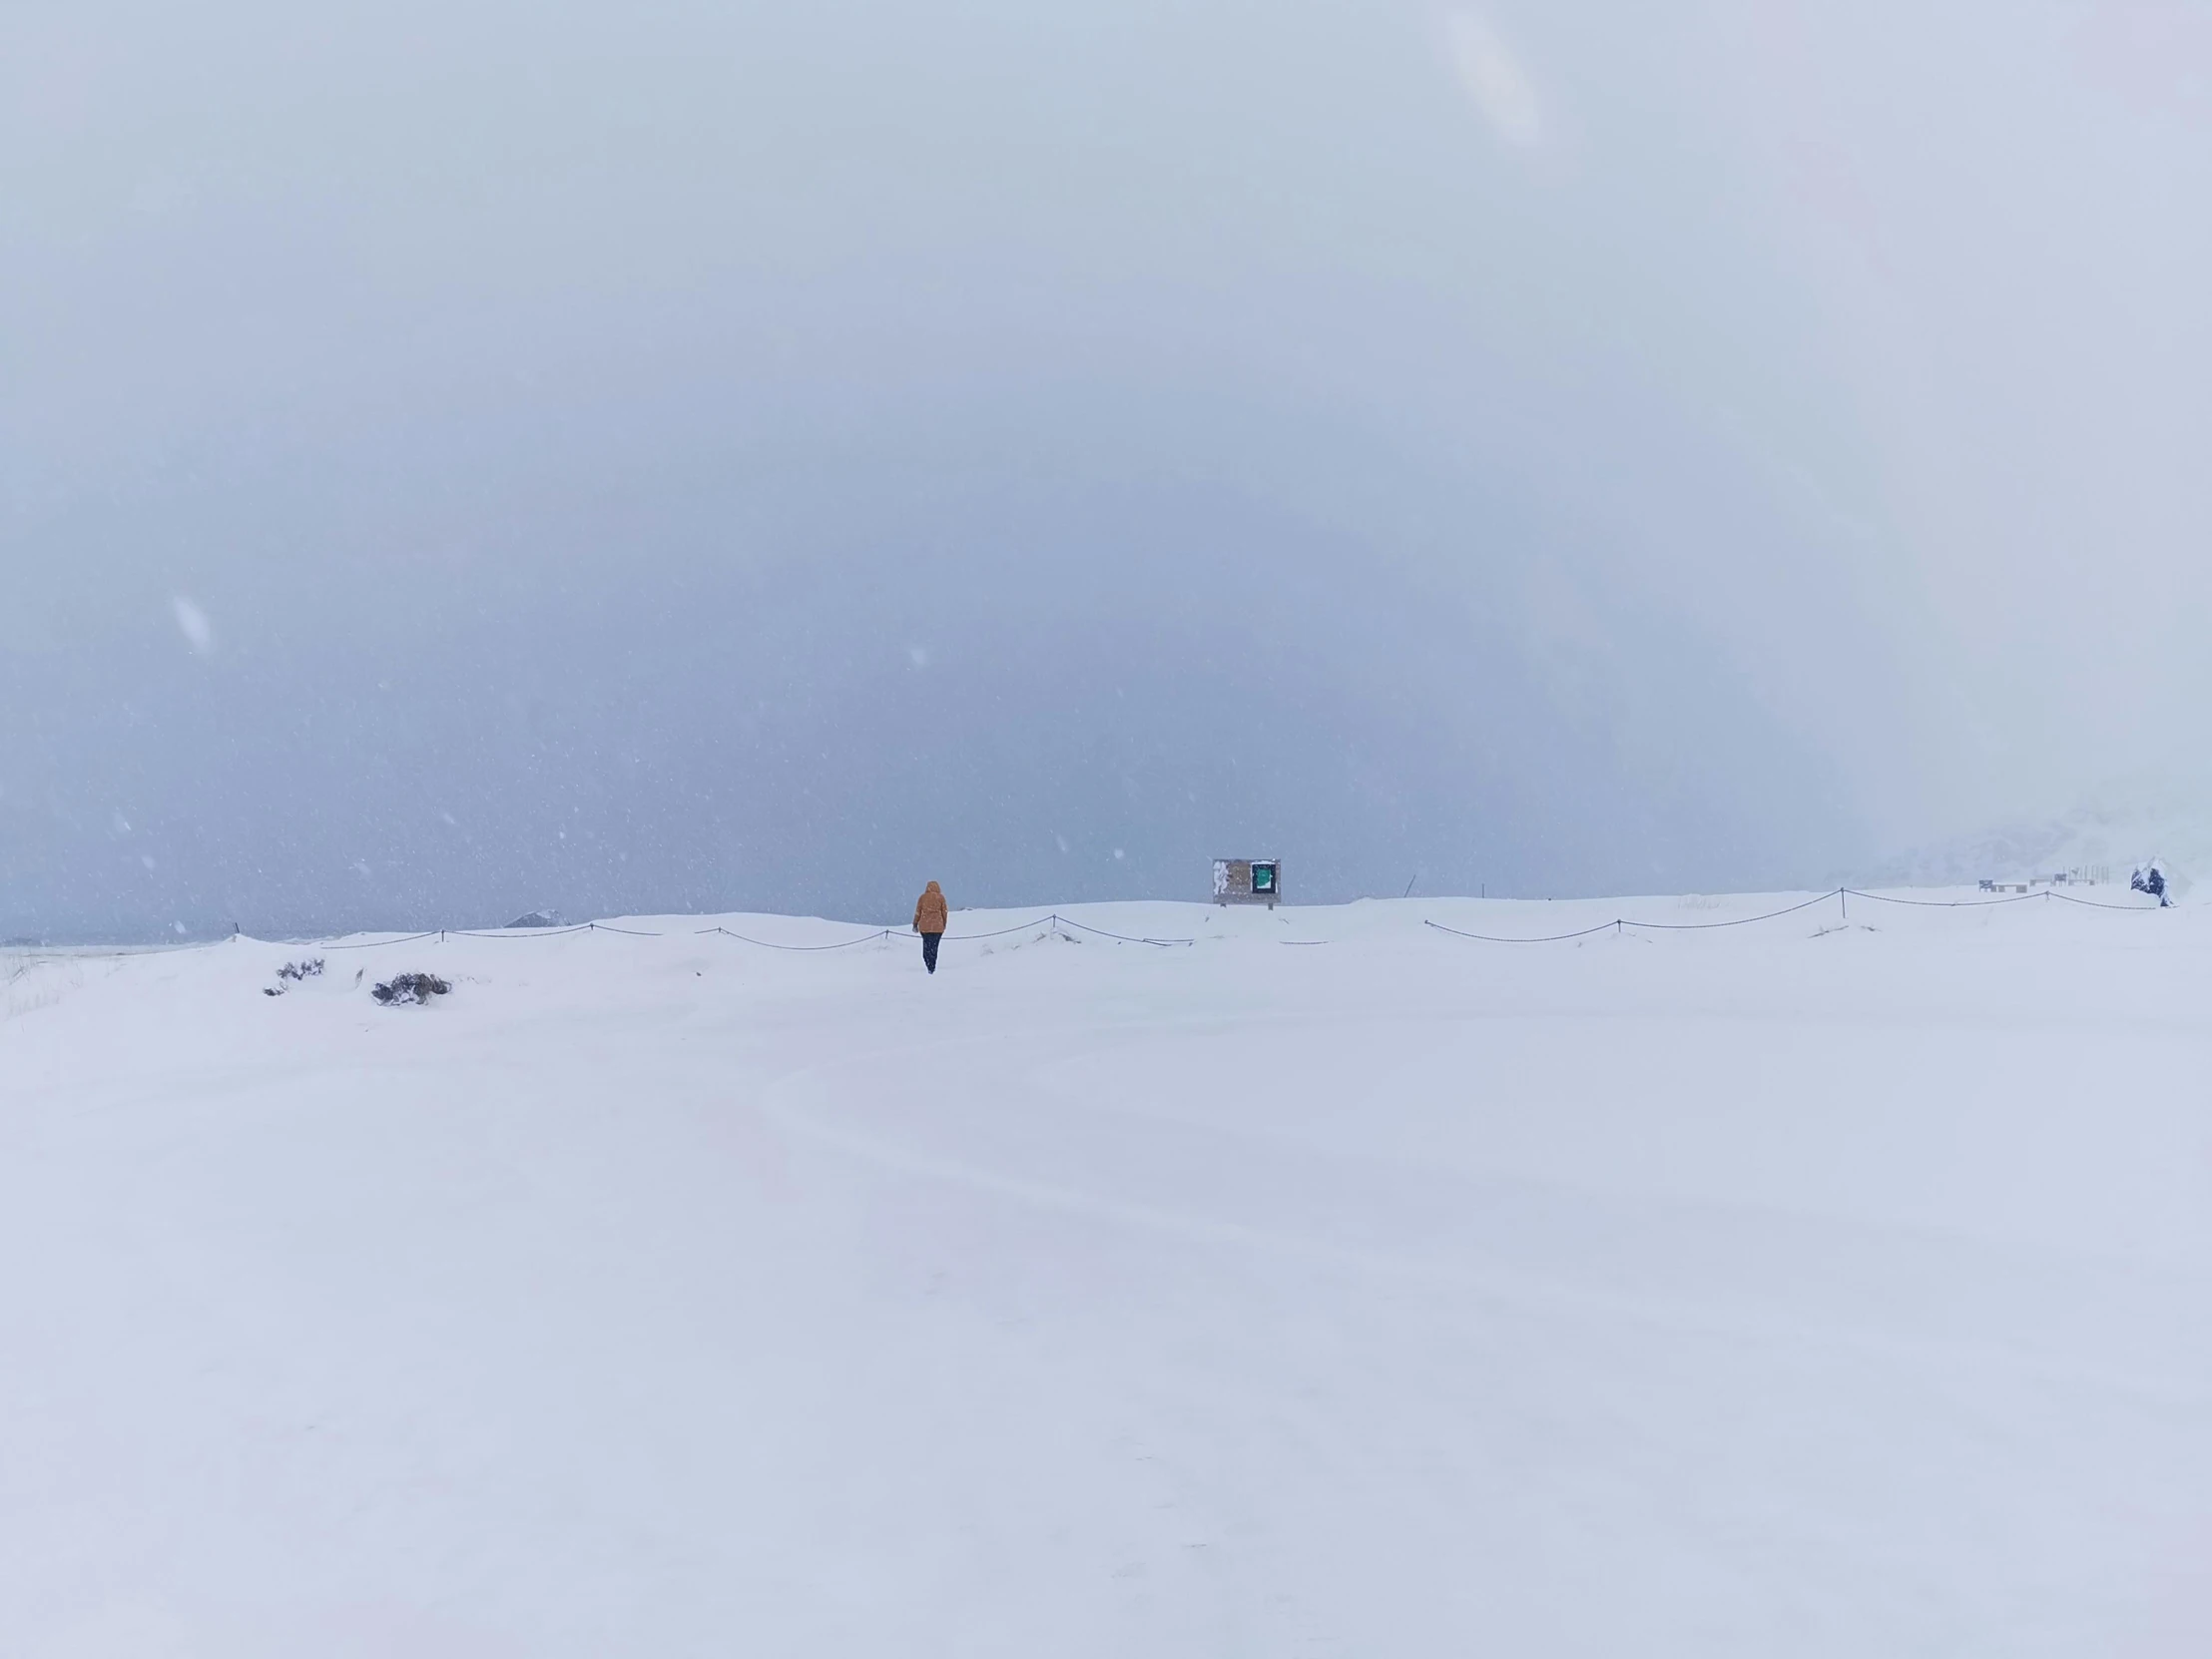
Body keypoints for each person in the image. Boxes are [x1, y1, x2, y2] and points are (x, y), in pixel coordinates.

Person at [913, 880, 949, 972]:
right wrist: (944, 923)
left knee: (927, 946)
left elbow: (918, 912)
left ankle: (928, 962)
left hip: (925, 927)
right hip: (938, 927)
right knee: (934, 947)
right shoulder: (941, 898)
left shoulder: (922, 898)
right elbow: (944, 912)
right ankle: (932, 965)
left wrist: (915, 924)